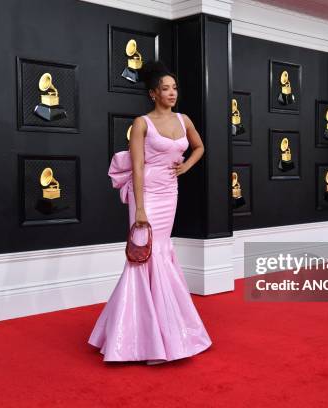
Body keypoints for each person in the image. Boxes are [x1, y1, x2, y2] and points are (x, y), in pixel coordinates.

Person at [87, 60, 212, 364]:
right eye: (166, 88)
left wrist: (185, 167)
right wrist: (139, 207)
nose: (172, 93)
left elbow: (199, 148)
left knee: (162, 252)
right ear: (153, 93)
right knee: (143, 256)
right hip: (145, 196)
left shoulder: (184, 120)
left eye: (175, 88)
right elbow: (138, 166)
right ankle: (139, 338)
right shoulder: (142, 123)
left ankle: (165, 332)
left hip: (170, 192)